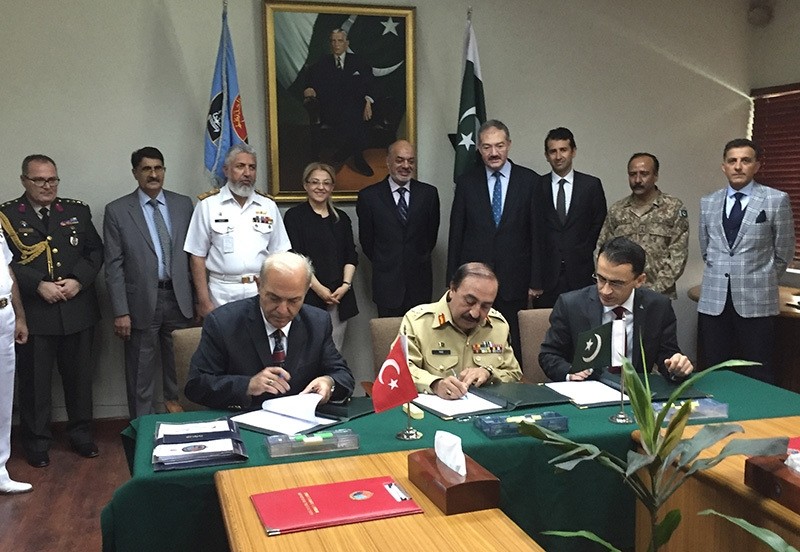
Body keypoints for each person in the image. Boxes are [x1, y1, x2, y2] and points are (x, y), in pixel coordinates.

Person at [0, 155, 103, 467]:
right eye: (39, 180)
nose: (47, 186)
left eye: (52, 180)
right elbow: (6, 261)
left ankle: (82, 435)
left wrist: (78, 281)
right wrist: (37, 284)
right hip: (35, 313)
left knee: (80, 379)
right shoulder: (7, 215)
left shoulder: (76, 210)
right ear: (24, 181)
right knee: (35, 383)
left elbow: (94, 251)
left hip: (77, 308)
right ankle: (37, 441)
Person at [185, 251, 355, 410]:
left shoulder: (317, 322)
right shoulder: (223, 322)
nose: (282, 310)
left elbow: (343, 375)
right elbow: (196, 385)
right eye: (274, 298)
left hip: (301, 425)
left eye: (293, 301)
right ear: (259, 285)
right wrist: (247, 385)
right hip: (244, 422)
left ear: (305, 292)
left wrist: (328, 383)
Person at [104, 147, 195, 418]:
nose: (153, 174)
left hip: (180, 299)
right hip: (141, 302)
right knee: (140, 373)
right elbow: (113, 265)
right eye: (146, 169)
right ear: (135, 173)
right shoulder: (118, 210)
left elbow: (195, 255)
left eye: (158, 168)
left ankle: (183, 423)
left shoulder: (184, 205)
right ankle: (142, 430)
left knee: (181, 369)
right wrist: (121, 311)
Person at [698, 138, 795, 383]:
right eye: (732, 161)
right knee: (713, 370)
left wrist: (762, 278)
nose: (738, 166)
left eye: (745, 160)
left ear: (757, 166)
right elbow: (706, 249)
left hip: (756, 300)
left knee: (758, 369)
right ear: (724, 166)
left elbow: (784, 251)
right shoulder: (708, 202)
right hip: (715, 299)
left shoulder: (776, 200)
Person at [447, 119, 541, 361]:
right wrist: (452, 279)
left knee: (513, 342)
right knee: (474, 342)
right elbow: (456, 233)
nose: (494, 153)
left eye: (499, 145)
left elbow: (538, 234)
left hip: (515, 279)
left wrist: (535, 279)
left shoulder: (530, 181)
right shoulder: (467, 182)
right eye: (487, 147)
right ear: (478, 148)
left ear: (509, 145)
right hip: (474, 283)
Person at [539, 237, 693, 382]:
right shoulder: (571, 305)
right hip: (588, 392)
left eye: (616, 283)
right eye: (601, 279)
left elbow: (667, 355)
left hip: (634, 395)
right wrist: (570, 372)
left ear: (639, 280)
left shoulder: (658, 307)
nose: (605, 290)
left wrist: (676, 366)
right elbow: (549, 355)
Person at [184, 144, 291, 318]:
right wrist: (203, 301)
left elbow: (280, 254)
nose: (247, 173)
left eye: (252, 167)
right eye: (240, 166)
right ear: (226, 170)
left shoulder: (268, 206)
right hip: (222, 291)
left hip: (261, 289)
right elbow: (197, 256)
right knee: (224, 343)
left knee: (259, 342)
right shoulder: (208, 205)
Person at [399, 262, 522, 400]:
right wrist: (435, 384)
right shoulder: (418, 322)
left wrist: (489, 373)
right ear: (452, 289)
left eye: (485, 306)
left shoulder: (498, 325)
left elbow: (514, 373)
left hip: (486, 411)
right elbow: (400, 371)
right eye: (469, 301)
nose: (475, 313)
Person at [357, 140, 440, 317]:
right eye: (400, 160)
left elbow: (430, 237)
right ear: (388, 162)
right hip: (387, 284)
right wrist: (387, 260)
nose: (405, 166)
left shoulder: (429, 194)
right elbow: (367, 242)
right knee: (388, 340)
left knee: (420, 339)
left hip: (419, 283)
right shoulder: (369, 197)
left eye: (410, 161)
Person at [283, 162, 358, 350]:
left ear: (332, 187)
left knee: (335, 351)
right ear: (306, 185)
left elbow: (351, 255)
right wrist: (319, 289)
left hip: (339, 297)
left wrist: (345, 286)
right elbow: (296, 257)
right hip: (308, 295)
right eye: (315, 182)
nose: (320, 187)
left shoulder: (341, 218)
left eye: (326, 183)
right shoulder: (294, 217)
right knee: (307, 352)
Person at [596, 152, 689, 299]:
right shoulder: (617, 210)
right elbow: (602, 250)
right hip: (621, 295)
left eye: (644, 174)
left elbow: (678, 255)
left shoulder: (673, 208)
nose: (637, 180)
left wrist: (653, 291)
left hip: (659, 296)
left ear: (656, 175)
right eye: (633, 174)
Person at [536, 127, 606, 307]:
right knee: (547, 329)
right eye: (553, 151)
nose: (558, 156)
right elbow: (533, 231)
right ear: (546, 155)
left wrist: (582, 250)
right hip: (547, 278)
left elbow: (599, 225)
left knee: (582, 330)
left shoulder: (591, 185)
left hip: (581, 273)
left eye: (563, 150)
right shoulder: (536, 186)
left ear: (573, 151)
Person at [304, 28, 374, 176]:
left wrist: (368, 100)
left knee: (357, 113)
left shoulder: (358, 62)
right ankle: (356, 156)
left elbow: (370, 83)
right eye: (333, 41)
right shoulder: (323, 63)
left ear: (346, 43)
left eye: (340, 41)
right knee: (355, 117)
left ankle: (348, 152)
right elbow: (310, 80)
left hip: (355, 108)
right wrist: (309, 88)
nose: (336, 45)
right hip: (331, 109)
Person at [0, 231, 31, 493]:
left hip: (4, 312)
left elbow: (7, 268)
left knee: (3, 398)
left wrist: (19, 316)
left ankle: (0, 471)